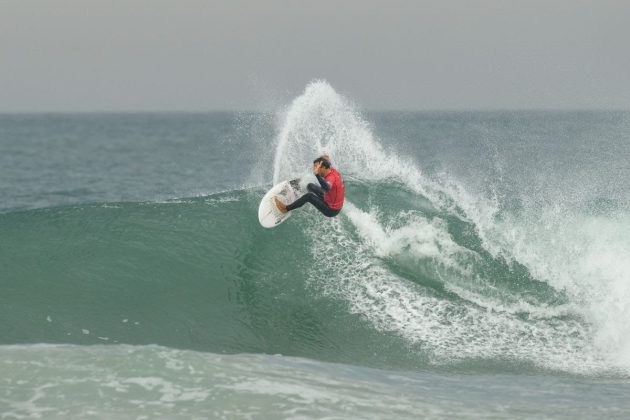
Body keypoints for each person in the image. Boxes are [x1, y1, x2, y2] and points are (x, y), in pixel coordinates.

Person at [275, 156, 344, 217]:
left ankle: (285, 209)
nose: (314, 169)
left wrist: (317, 174)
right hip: (329, 199)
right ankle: (296, 194)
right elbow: (327, 163)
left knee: (309, 196)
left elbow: (327, 187)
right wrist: (325, 159)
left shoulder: (331, 177)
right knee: (310, 186)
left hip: (331, 210)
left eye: (316, 167)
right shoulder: (330, 169)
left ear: (323, 167)